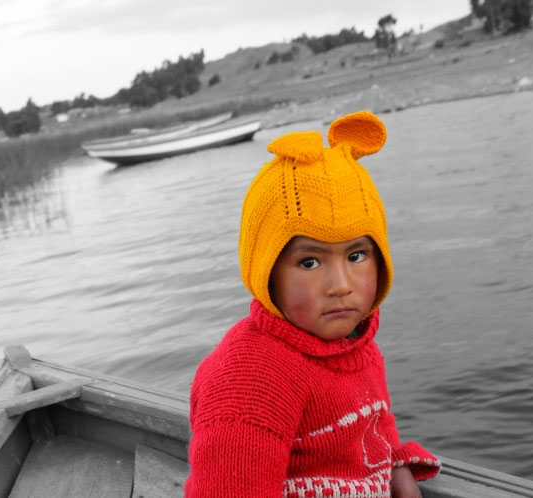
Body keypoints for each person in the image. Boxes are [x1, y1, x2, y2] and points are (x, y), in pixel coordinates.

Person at [185, 111, 441, 498]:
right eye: (309, 262)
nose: (340, 286)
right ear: (266, 270)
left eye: (357, 255)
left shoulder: (356, 342)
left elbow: (375, 425)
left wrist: (394, 464)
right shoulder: (250, 381)